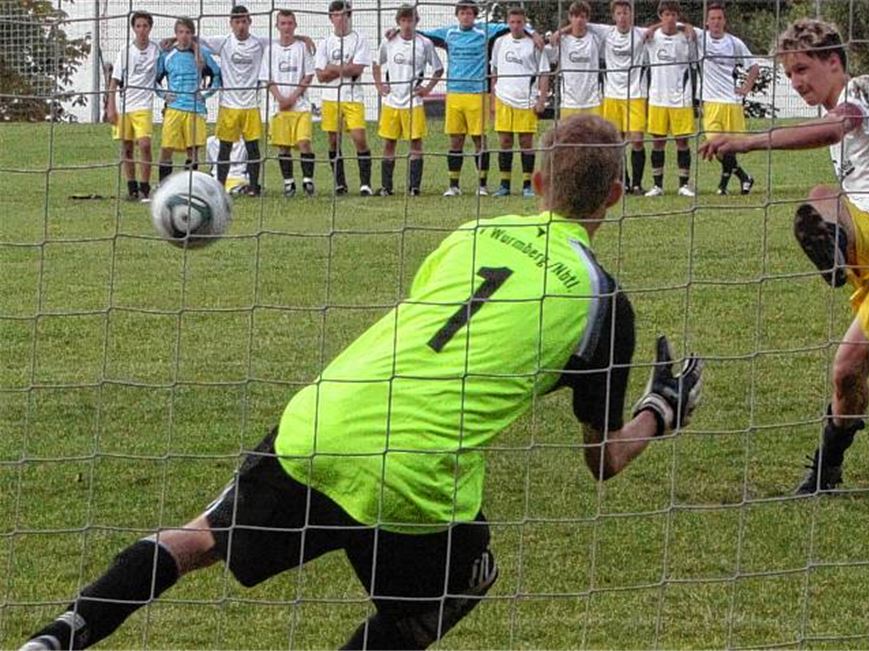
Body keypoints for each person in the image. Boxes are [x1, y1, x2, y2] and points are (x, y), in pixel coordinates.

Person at [20, 113, 704, 651]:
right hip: (416, 475)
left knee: (196, 538)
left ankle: (58, 635)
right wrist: (658, 409)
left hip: (324, 418)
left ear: (535, 182)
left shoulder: (475, 234)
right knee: (458, 584)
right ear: (616, 192)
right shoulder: (603, 303)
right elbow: (602, 459)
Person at [699, 18, 869, 494]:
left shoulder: (867, 90)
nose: (795, 82)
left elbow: (837, 129)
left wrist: (749, 140)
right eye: (789, 74)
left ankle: (836, 251)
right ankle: (826, 473)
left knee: (821, 196)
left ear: (833, 61)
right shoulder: (838, 113)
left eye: (802, 69)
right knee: (846, 372)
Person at [421, 0, 532, 196]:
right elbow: (422, 34)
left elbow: (518, 25)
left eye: (470, 13)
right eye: (462, 13)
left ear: (475, 15)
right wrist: (395, 32)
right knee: (456, 141)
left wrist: (536, 35)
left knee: (480, 140)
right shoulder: (448, 33)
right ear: (457, 15)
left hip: (478, 94)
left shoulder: (486, 31)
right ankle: (453, 185)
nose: (466, 16)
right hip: (455, 93)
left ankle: (482, 185)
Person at [372, 5, 444, 197]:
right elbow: (376, 64)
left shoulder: (424, 43)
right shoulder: (389, 41)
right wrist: (380, 86)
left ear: (416, 22)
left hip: (413, 102)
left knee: (415, 143)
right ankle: (387, 187)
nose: (406, 24)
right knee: (389, 142)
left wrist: (427, 89)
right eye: (403, 20)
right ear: (398, 22)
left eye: (410, 20)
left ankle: (414, 187)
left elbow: (438, 68)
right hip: (392, 101)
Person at [200, 5, 268, 196]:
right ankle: (220, 186)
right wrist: (172, 39)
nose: (241, 26)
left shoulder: (260, 43)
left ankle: (254, 188)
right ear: (231, 24)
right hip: (228, 105)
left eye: (244, 21)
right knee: (225, 148)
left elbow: (284, 39)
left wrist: (302, 38)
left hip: (251, 105)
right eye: (237, 22)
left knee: (252, 147)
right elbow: (196, 38)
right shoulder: (223, 42)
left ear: (250, 22)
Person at [695, 1, 759, 195]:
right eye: (712, 18)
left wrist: (746, 87)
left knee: (729, 147)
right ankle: (743, 178)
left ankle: (724, 186)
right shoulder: (700, 39)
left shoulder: (734, 43)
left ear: (725, 21)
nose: (716, 22)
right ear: (706, 22)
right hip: (711, 102)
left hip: (731, 102)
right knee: (715, 145)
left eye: (719, 18)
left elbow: (754, 66)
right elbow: (682, 27)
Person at [490, 6, 549, 197]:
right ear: (508, 23)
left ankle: (527, 186)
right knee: (505, 142)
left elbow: (544, 73)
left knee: (526, 142)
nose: (516, 26)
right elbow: (494, 72)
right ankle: (504, 185)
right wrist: (493, 97)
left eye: (519, 22)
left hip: (526, 101)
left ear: (525, 24)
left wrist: (541, 99)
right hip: (503, 99)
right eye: (512, 22)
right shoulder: (499, 42)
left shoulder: (534, 44)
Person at [316, 0, 374, 196]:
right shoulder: (325, 42)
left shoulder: (359, 40)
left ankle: (365, 184)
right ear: (331, 18)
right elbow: (321, 76)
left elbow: (357, 69)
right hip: (330, 98)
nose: (340, 19)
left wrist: (332, 67)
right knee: (333, 141)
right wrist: (343, 69)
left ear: (349, 16)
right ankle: (340, 183)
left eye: (343, 14)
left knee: (359, 138)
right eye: (336, 15)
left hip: (353, 97)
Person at [155, 17, 221, 183]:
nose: (184, 36)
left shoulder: (202, 54)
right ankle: (163, 185)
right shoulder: (167, 54)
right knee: (166, 148)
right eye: (181, 32)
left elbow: (217, 74)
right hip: (174, 108)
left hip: (195, 108)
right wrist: (164, 95)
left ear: (192, 34)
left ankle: (189, 186)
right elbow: (154, 80)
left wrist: (206, 94)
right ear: (176, 34)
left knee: (192, 150)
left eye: (188, 32)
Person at [644, 0, 698, 197]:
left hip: (680, 99)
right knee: (658, 142)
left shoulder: (687, 37)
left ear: (678, 16)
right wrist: (653, 27)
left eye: (674, 15)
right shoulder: (651, 37)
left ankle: (684, 185)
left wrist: (687, 26)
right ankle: (657, 185)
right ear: (661, 16)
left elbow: (693, 34)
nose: (670, 19)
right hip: (657, 98)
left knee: (682, 142)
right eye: (666, 14)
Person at [260, 9, 317, 197]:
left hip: (300, 106)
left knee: (304, 142)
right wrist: (280, 98)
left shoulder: (302, 47)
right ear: (277, 26)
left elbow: (308, 75)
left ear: (295, 25)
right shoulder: (270, 50)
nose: (286, 27)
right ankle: (288, 183)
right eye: (283, 23)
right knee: (283, 147)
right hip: (279, 108)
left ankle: (308, 181)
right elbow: (267, 78)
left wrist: (293, 97)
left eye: (290, 23)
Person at [597, 0, 650, 194]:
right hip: (612, 95)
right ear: (614, 16)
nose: (623, 17)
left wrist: (681, 27)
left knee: (637, 140)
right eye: (619, 13)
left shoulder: (641, 34)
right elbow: (579, 22)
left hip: (635, 95)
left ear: (632, 15)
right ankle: (622, 181)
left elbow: (671, 24)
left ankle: (637, 183)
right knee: (615, 142)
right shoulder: (605, 32)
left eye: (626, 13)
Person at [107, 10, 159, 202]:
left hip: (144, 105)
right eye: (138, 26)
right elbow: (114, 81)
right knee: (126, 146)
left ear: (150, 28)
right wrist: (110, 106)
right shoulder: (126, 51)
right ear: (133, 28)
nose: (142, 30)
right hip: (126, 105)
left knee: (144, 144)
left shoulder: (156, 50)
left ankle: (145, 187)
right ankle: (132, 188)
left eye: (145, 26)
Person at [549, 1, 604, 121]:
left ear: (587, 18)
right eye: (575, 16)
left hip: (593, 102)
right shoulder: (561, 41)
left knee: (594, 138)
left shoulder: (596, 39)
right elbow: (550, 56)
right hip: (569, 102)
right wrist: (558, 33)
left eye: (582, 17)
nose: (579, 20)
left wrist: (562, 30)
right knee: (569, 138)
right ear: (570, 17)